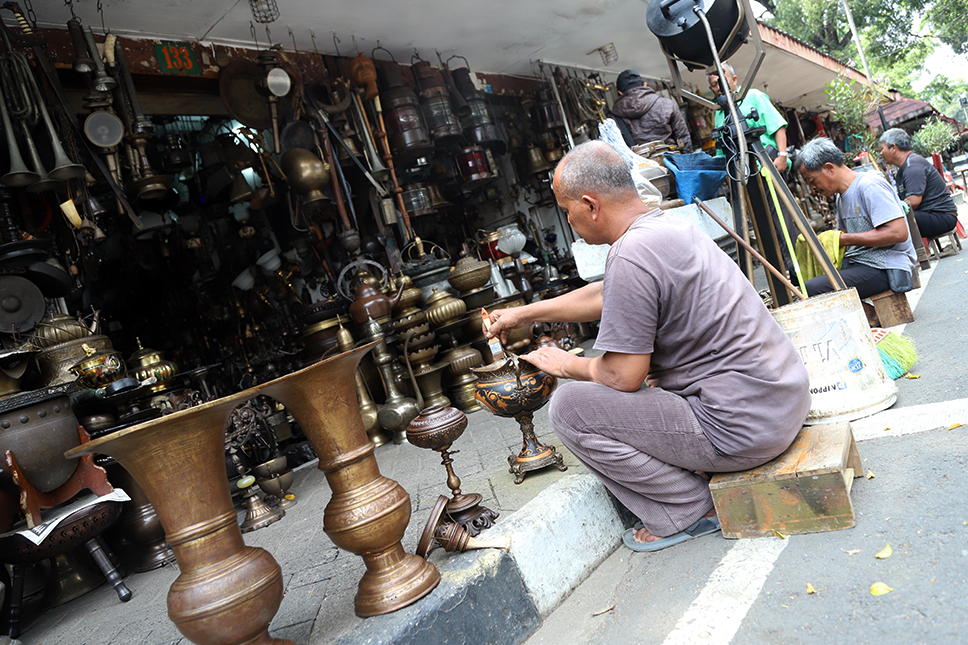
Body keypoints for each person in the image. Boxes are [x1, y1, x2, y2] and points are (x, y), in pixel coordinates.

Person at [484, 140, 811, 552]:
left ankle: (689, 508)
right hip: (782, 402)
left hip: (743, 430)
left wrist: (568, 364)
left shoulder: (632, 252)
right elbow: (607, 294)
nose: (570, 221)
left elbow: (622, 376)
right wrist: (524, 313)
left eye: (567, 212)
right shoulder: (667, 226)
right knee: (649, 381)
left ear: (590, 205)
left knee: (569, 409)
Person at [796, 138, 916, 324]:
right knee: (805, 275)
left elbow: (898, 233)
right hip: (861, 262)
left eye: (812, 181)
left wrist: (841, 240)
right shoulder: (840, 197)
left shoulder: (869, 185)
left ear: (829, 168)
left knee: (813, 288)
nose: (812, 188)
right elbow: (843, 235)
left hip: (887, 265)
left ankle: (871, 314)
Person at [708, 62, 789, 174]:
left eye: (722, 80)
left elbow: (777, 126)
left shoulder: (754, 96)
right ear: (711, 88)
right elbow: (721, 150)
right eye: (715, 84)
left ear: (734, 79)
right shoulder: (718, 113)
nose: (719, 87)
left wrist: (782, 155)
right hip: (740, 173)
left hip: (769, 163)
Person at [879, 128, 959, 239]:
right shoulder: (903, 169)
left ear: (893, 148)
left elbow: (914, 201)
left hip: (942, 217)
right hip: (928, 215)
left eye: (882, 149)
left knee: (895, 220)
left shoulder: (913, 166)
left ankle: (920, 251)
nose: (881, 153)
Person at [610, 69, 693, 153]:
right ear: (645, 84)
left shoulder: (615, 117)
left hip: (641, 164)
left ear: (620, 92)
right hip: (673, 159)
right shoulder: (667, 104)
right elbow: (683, 137)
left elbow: (618, 148)